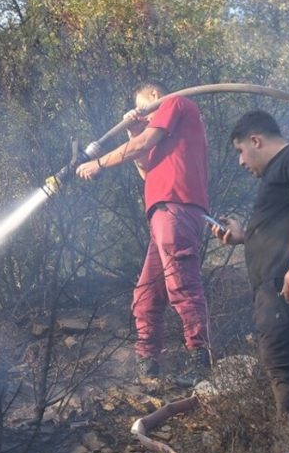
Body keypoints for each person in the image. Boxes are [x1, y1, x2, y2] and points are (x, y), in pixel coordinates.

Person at [76, 82, 211, 385]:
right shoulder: (166, 132)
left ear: (153, 97)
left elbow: (144, 144)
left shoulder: (174, 104)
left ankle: (201, 358)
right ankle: (148, 366)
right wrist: (132, 131)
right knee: (147, 294)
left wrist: (98, 163)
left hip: (176, 206)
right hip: (164, 212)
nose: (146, 117)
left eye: (145, 109)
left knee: (181, 283)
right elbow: (145, 167)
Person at [212, 110, 289, 420]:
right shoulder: (277, 174)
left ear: (255, 140)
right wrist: (242, 237)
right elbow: (284, 227)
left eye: (241, 151)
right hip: (281, 282)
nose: (241, 162)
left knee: (281, 359)